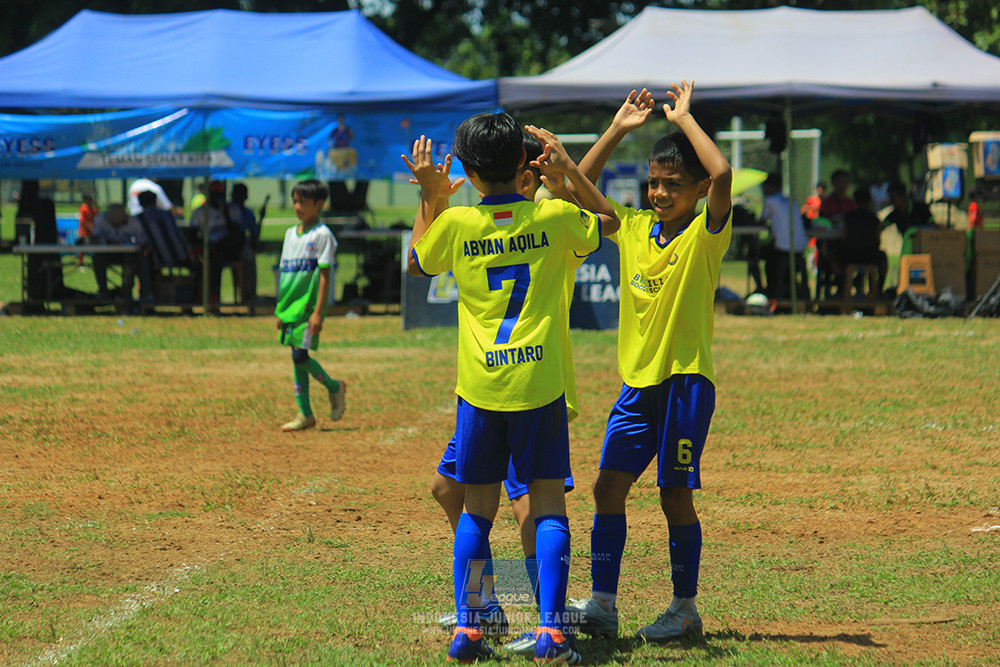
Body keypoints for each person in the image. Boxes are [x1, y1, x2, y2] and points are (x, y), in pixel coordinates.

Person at [403, 112, 615, 664]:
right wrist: (565, 169)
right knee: (548, 509)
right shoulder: (552, 216)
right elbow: (609, 223)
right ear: (525, 164)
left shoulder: (456, 225)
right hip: (539, 385)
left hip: (481, 388)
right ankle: (551, 630)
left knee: (476, 511)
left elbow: (416, 262)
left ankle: (471, 626)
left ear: (470, 174)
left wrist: (431, 196)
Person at [561, 81, 732, 643]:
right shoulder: (632, 227)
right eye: (653, 183)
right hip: (637, 387)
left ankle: (685, 607)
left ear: (698, 189)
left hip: (685, 384)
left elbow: (724, 174)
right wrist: (614, 131)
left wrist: (683, 119)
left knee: (672, 494)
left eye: (674, 185)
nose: (660, 193)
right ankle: (604, 605)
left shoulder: (706, 234)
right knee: (607, 489)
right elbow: (573, 192)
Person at [274, 179, 346, 432]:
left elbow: (325, 275)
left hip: (307, 309)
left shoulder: (322, 235)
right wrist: (280, 310)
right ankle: (305, 413)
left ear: (319, 204)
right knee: (297, 357)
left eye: (303, 202)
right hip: (289, 308)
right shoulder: (289, 234)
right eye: (295, 201)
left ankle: (334, 387)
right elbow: (285, 274)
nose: (297, 206)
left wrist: (318, 312)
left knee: (299, 355)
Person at [188, 181, 245, 307]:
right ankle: (207, 296)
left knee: (220, 249)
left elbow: (238, 232)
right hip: (207, 249)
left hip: (228, 250)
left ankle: (220, 296)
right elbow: (192, 235)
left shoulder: (232, 209)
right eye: (213, 192)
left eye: (219, 192)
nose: (216, 196)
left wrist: (225, 213)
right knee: (211, 256)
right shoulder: (200, 212)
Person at [90, 203, 155, 304]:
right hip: (107, 254)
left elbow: (143, 242)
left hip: (128, 254)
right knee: (97, 258)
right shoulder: (100, 220)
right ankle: (103, 292)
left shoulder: (134, 223)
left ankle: (143, 294)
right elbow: (94, 238)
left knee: (142, 259)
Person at [759, 172, 808, 300]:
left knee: (768, 262)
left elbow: (763, 220)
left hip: (784, 247)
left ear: (771, 187)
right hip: (800, 247)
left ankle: (773, 293)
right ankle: (793, 291)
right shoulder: (791, 200)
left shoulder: (770, 200)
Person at [836, 186, 887, 295]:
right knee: (883, 257)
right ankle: (878, 289)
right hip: (870, 256)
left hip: (850, 256)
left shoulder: (848, 217)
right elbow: (878, 241)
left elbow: (843, 238)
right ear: (870, 201)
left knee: (834, 253)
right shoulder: (875, 219)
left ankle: (841, 287)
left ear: (855, 201)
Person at [134, 189, 193, 270]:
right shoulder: (166, 215)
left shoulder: (139, 219)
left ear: (140, 203)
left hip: (156, 260)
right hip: (181, 256)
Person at [229, 183, 260, 303]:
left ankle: (249, 294)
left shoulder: (248, 213)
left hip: (243, 248)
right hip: (229, 247)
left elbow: (254, 234)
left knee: (249, 256)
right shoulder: (229, 210)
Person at [884, 181, 933, 256]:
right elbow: (880, 226)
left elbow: (934, 226)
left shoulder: (921, 208)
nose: (891, 201)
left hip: (927, 249)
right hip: (909, 253)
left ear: (903, 196)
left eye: (893, 198)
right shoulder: (895, 214)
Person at [77, 193, 98, 268]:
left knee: (95, 245)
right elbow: (82, 221)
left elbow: (96, 216)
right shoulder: (83, 208)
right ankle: (80, 262)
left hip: (92, 231)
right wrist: (90, 227)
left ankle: (95, 261)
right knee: (82, 246)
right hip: (84, 231)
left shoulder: (92, 208)